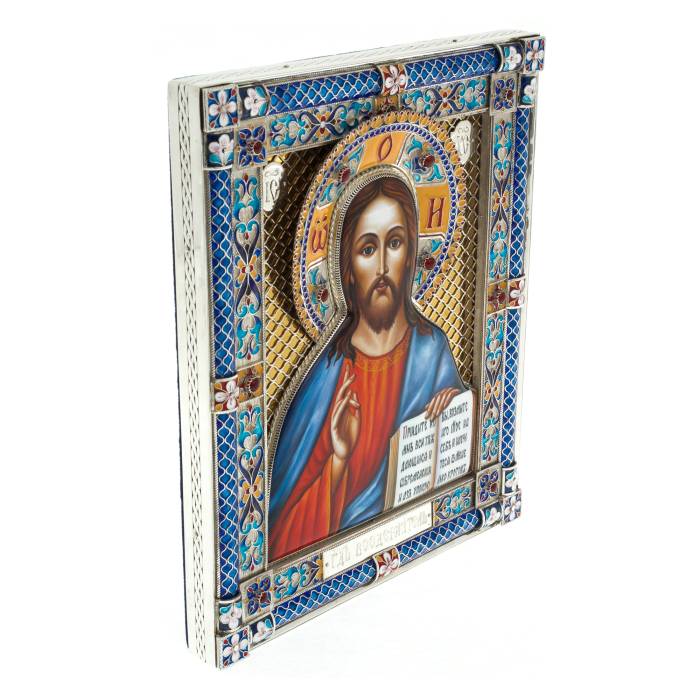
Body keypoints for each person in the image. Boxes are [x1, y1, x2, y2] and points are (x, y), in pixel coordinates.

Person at [268, 176, 464, 561]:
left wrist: (455, 405)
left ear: (411, 253)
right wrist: (338, 460)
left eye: (395, 243)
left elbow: (460, 458)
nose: (382, 267)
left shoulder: (433, 352)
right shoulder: (328, 378)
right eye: (368, 249)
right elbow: (279, 541)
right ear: (347, 267)